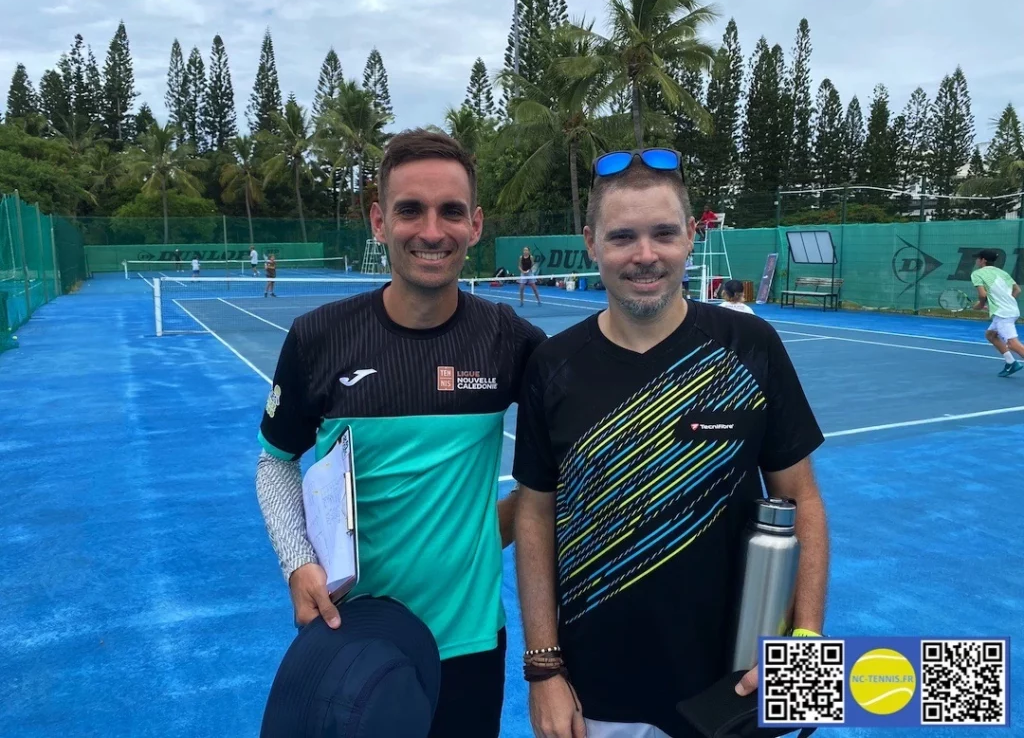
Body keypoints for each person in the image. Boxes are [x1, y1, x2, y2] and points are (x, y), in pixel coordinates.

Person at [512, 148, 830, 738]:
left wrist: (806, 647)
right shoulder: (553, 366)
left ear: (690, 235)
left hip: (737, 687)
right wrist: (543, 669)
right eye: (623, 236)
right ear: (591, 243)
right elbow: (535, 514)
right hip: (599, 693)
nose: (645, 255)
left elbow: (802, 500)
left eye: (663, 233)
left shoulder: (751, 345)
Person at [254, 128, 547, 738]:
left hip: (468, 645)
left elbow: (576, 459)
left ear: (476, 225)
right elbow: (275, 459)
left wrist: (488, 528)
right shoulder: (318, 338)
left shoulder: (510, 341)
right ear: (379, 221)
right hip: (353, 639)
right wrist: (296, 561)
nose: (433, 231)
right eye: (411, 209)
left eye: (452, 212)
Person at [971, 249, 1023, 377]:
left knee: (1012, 343)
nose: (977, 260)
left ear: (983, 260)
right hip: (1011, 309)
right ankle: (1011, 363)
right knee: (990, 335)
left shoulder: (977, 274)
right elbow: (1017, 290)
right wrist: (1002, 303)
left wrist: (980, 306)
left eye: (978, 258)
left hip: (1003, 314)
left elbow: (983, 295)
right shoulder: (1003, 273)